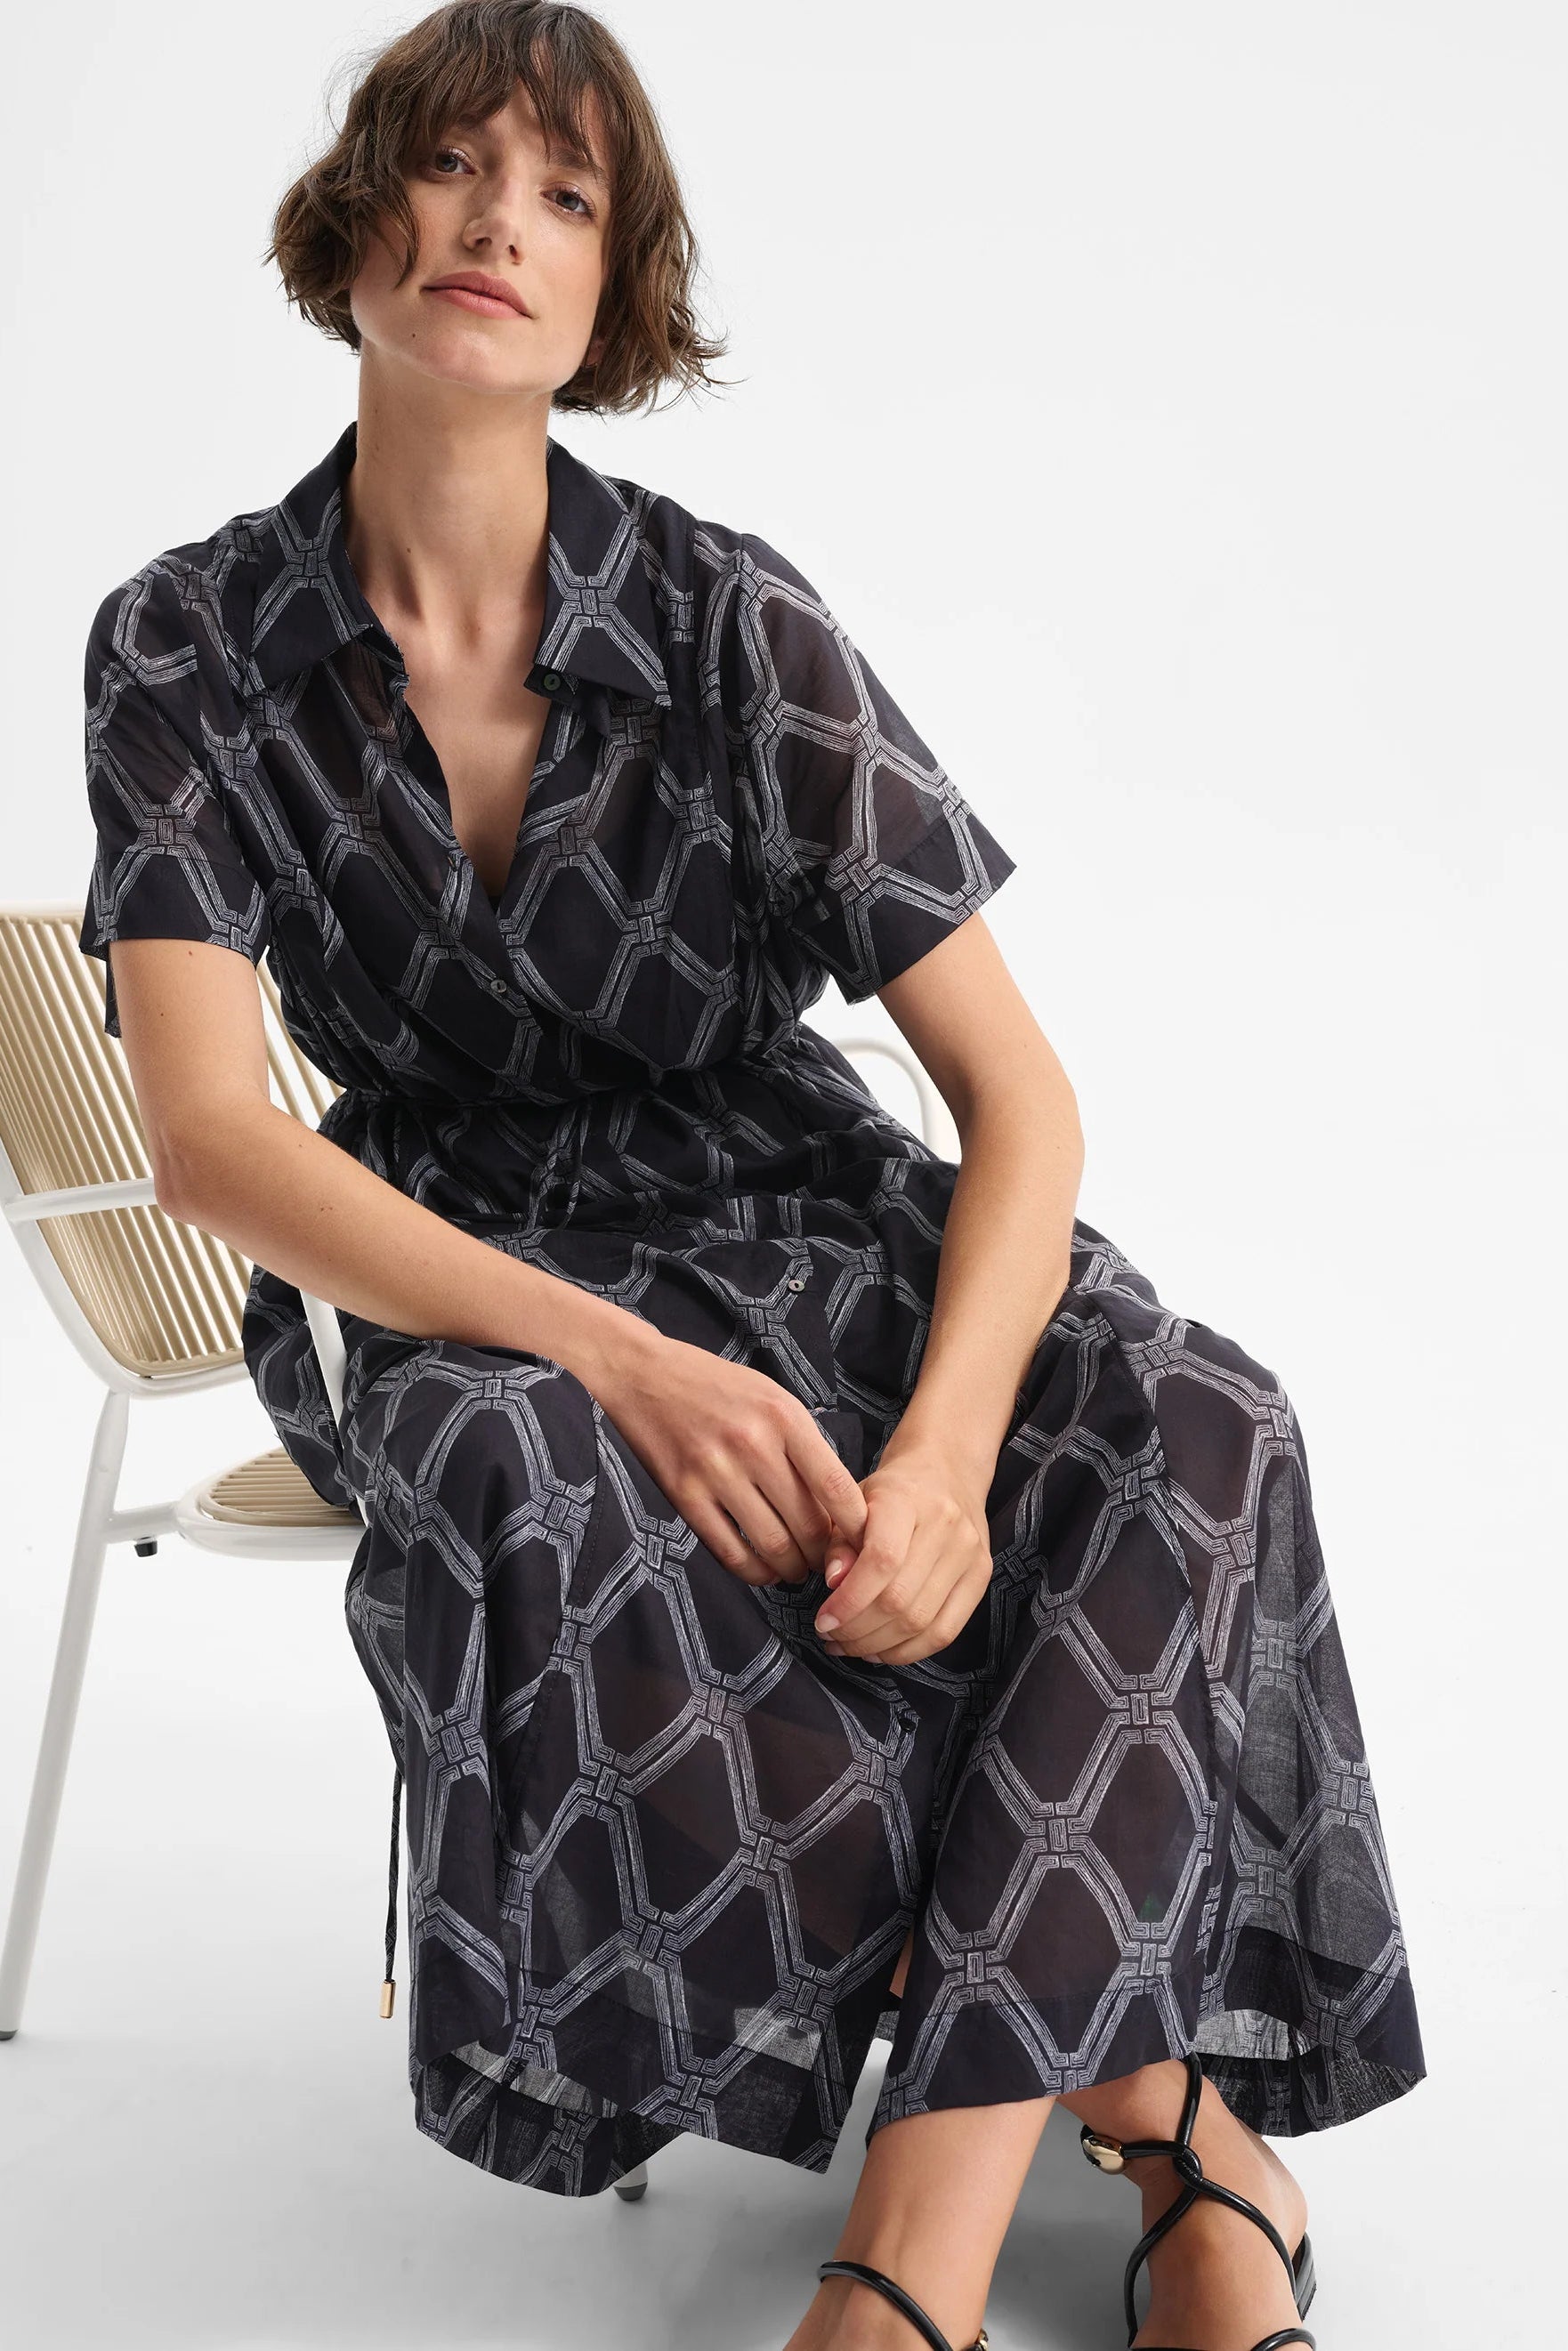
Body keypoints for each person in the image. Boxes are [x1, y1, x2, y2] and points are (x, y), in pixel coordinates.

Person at [77, 5, 1426, 2348]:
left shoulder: (729, 622)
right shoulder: (185, 644)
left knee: (1195, 1411)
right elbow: (209, 1134)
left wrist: (945, 1452)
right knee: (529, 1464)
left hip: (805, 1206)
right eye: (455, 165)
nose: (504, 220)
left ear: (616, 294)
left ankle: (902, 2255)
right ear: (352, 217)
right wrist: (623, 1357)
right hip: (450, 1270)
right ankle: (1180, 2137)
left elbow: (1021, 1101)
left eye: (570, 194)